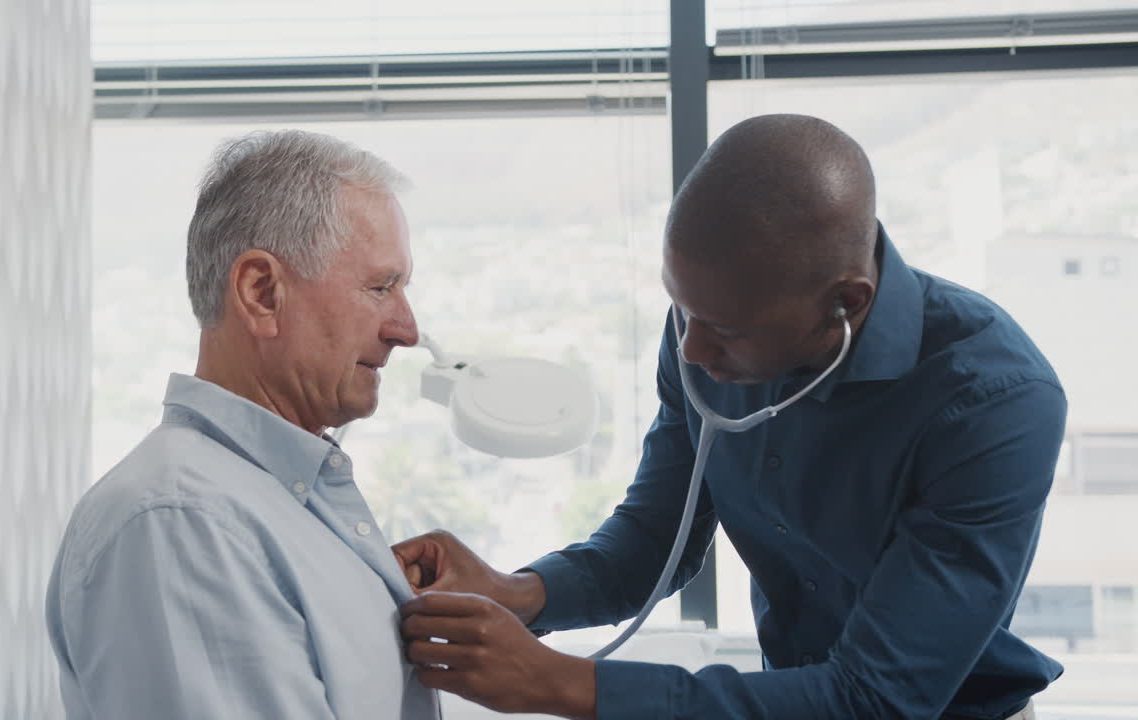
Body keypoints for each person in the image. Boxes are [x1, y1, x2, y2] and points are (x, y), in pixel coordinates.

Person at [394, 114, 1064, 720]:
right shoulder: (708, 318)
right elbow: (654, 542)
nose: (691, 351)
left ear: (846, 303)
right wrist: (517, 593)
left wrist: (559, 684)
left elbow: (873, 699)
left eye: (723, 330)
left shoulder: (996, 404)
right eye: (681, 311)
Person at [45, 130, 439, 720]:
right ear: (261, 292)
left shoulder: (275, 502)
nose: (407, 330)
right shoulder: (182, 525)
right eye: (380, 288)